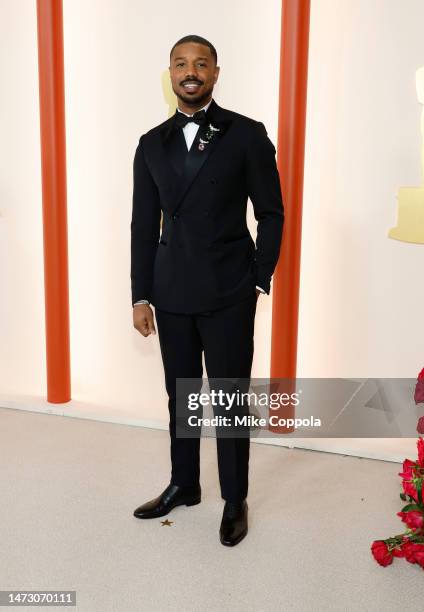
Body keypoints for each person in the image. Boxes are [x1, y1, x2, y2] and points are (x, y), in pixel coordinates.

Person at [131, 34, 284, 546]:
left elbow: (271, 213)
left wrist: (257, 277)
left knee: (229, 399)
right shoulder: (151, 143)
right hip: (170, 292)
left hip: (228, 293)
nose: (189, 71)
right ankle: (184, 483)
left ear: (216, 73)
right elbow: (141, 226)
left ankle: (235, 497)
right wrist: (140, 294)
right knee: (182, 397)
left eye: (200, 63)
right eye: (180, 63)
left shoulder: (246, 134)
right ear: (169, 74)